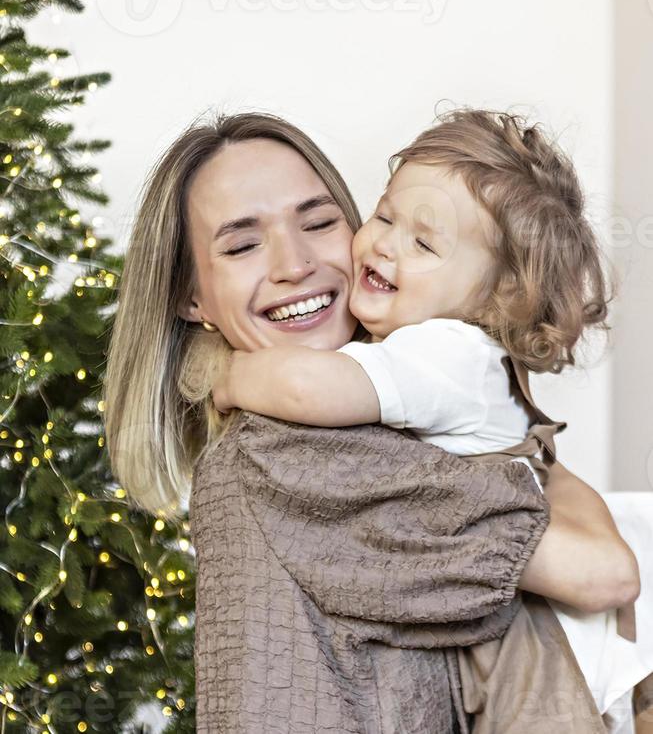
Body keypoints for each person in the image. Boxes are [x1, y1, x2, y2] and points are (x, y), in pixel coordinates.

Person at [104, 111, 638, 733]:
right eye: (242, 244)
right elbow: (601, 571)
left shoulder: (410, 386)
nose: (294, 264)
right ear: (190, 296)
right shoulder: (276, 460)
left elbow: (595, 555)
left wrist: (228, 380)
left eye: (320, 221)